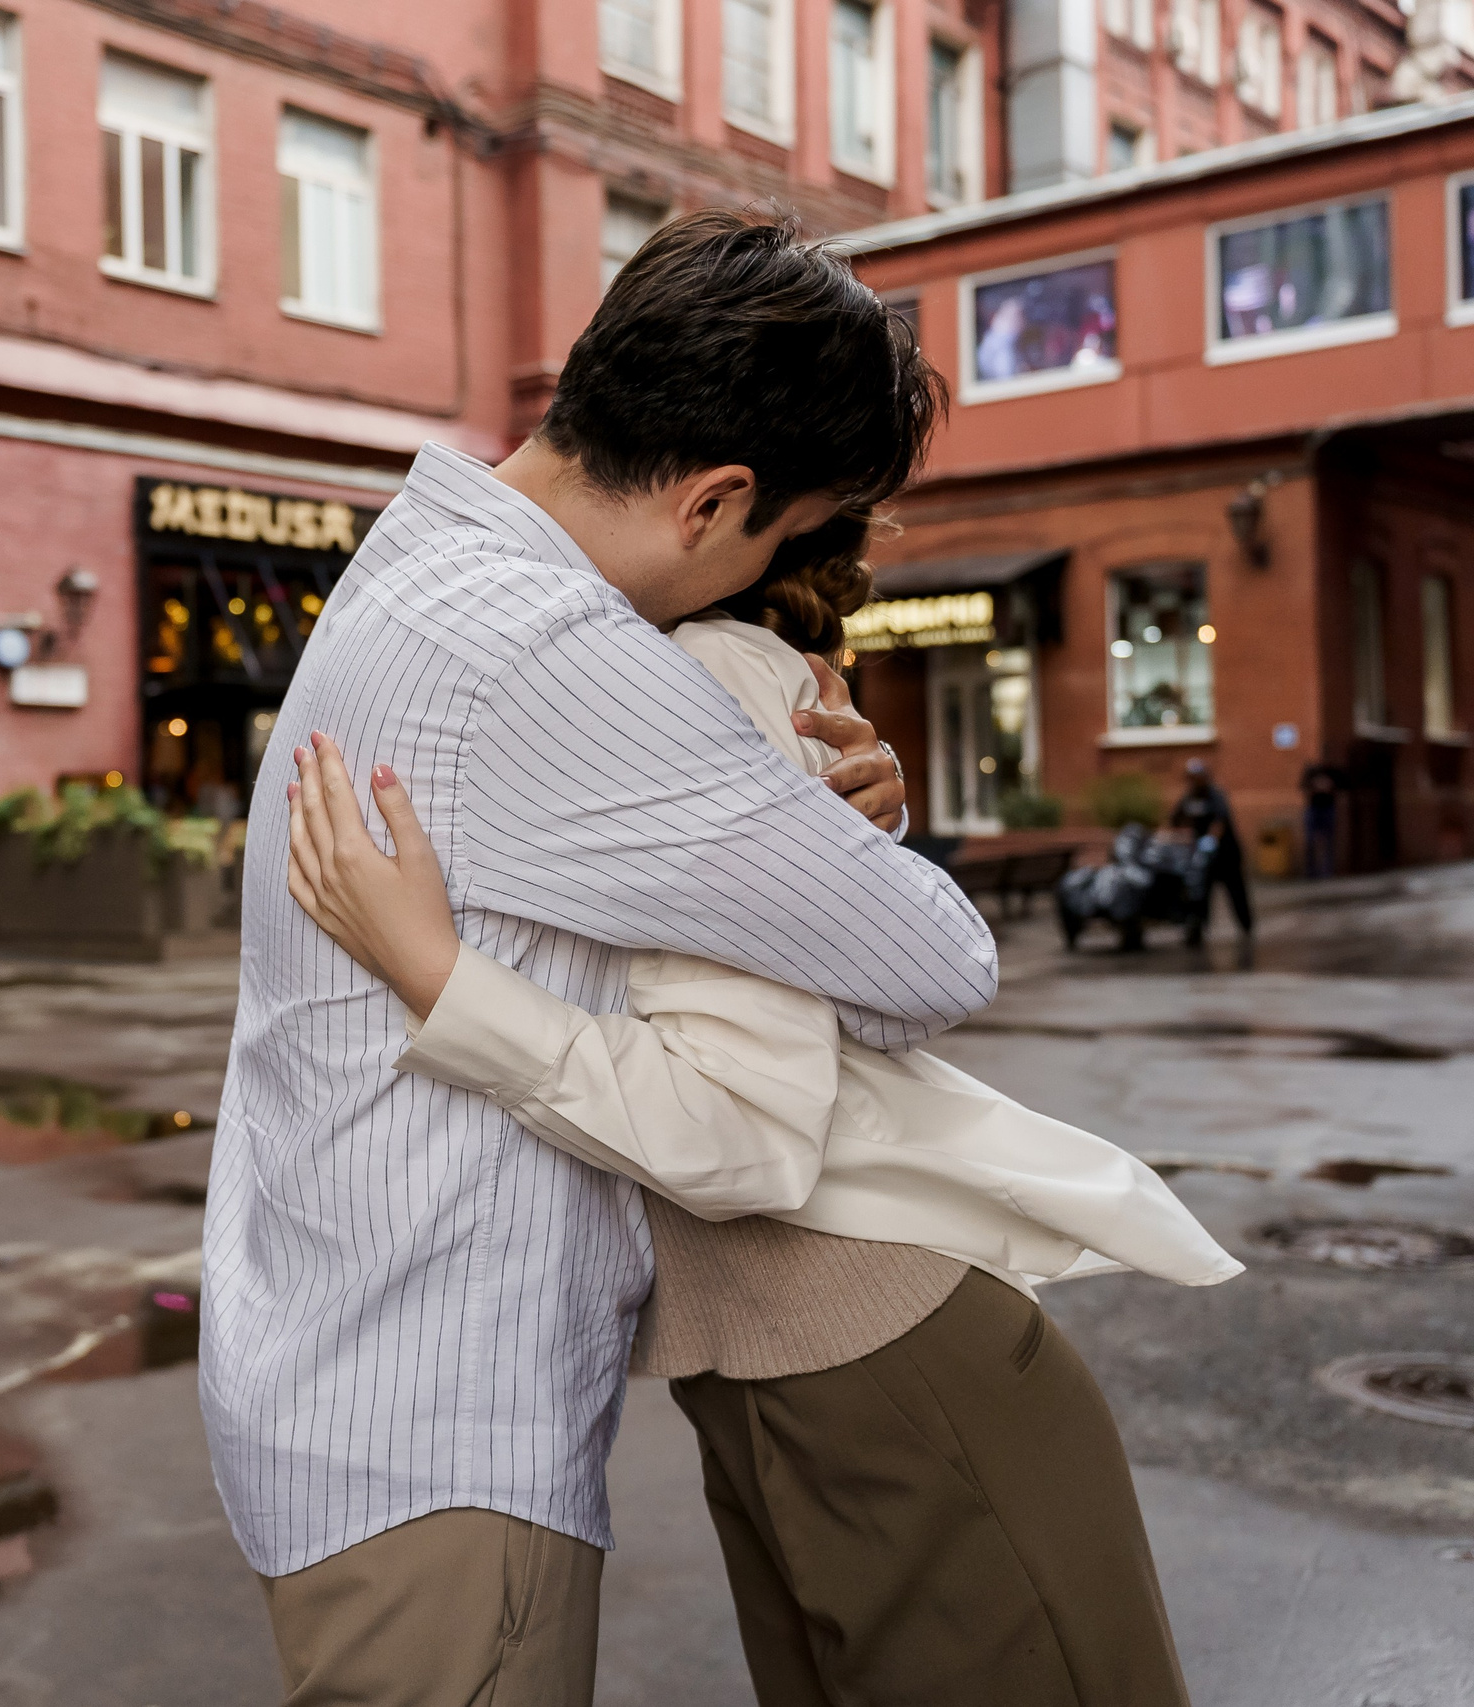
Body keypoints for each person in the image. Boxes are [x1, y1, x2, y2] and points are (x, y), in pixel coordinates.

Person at [199, 206, 997, 1706]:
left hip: (339, 1387)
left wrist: (817, 799)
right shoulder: (557, 654)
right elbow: (937, 959)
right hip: (436, 1437)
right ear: (715, 501)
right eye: (793, 531)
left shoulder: (421, 556)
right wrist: (845, 820)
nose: (788, 565)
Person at [283, 515, 1238, 1707]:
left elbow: (737, 1131)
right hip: (801, 1377)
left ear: (729, 515)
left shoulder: (711, 670)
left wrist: (443, 983)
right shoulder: (676, 680)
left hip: (878, 1366)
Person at [1172, 758, 1253, 936]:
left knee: (1236, 891)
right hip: (1203, 856)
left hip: (1226, 854)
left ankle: (1246, 926)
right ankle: (1197, 929)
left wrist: (1210, 839)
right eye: (1191, 777)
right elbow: (1175, 819)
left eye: (1197, 776)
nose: (1194, 780)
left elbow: (1220, 821)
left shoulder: (1215, 795)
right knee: (1199, 891)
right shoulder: (1189, 797)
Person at [1301, 759, 1344, 878]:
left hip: (1328, 808)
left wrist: (1330, 785)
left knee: (1329, 842)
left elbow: (1342, 785)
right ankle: (1311, 872)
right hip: (1313, 808)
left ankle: (1327, 872)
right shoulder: (1311, 770)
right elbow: (1303, 786)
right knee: (1310, 841)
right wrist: (1315, 786)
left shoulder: (1331, 771)